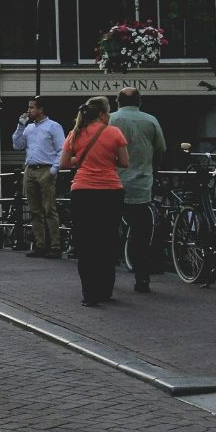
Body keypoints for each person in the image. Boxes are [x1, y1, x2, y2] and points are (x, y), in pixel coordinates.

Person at [58, 96, 132, 307]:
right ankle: (105, 290)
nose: (109, 116)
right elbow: (125, 162)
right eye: (107, 112)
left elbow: (64, 164)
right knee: (107, 241)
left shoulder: (75, 133)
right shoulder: (114, 133)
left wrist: (81, 159)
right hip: (110, 191)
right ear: (101, 114)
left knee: (86, 243)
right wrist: (108, 159)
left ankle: (89, 294)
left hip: (83, 191)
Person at [108, 87, 167, 293]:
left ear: (118, 102)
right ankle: (142, 277)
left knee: (109, 229)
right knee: (140, 233)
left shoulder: (110, 120)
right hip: (141, 184)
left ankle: (108, 275)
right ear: (139, 101)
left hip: (112, 183)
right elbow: (161, 149)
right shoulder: (151, 121)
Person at [13, 97, 66, 257]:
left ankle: (55, 246)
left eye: (31, 107)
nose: (28, 110)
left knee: (49, 209)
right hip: (30, 169)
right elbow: (17, 145)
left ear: (41, 109)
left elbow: (62, 149)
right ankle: (40, 244)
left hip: (46, 168)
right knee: (34, 209)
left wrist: (53, 170)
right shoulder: (29, 128)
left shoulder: (53, 126)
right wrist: (20, 126)